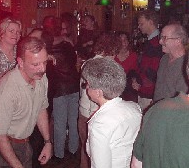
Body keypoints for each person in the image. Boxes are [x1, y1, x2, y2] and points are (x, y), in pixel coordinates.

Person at [0, 36, 53, 168]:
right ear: (20, 62)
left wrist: (47, 142)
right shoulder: (6, 89)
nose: (42, 69)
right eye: (35, 64)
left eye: (44, 62)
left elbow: (41, 108)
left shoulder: (41, 78)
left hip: (22, 144)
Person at [82, 57, 142, 168]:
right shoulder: (134, 108)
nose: (86, 87)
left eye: (88, 85)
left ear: (98, 92)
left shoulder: (99, 124)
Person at [78, 32, 121, 168]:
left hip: (84, 114)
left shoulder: (88, 63)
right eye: (114, 51)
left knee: (85, 153)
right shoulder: (101, 66)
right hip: (93, 115)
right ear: (110, 48)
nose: (115, 56)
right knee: (95, 156)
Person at [42, 16, 80, 161]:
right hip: (73, 86)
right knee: (72, 121)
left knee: (59, 123)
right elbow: (75, 63)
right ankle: (73, 150)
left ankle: (59, 154)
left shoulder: (47, 46)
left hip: (59, 89)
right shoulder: (68, 43)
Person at [132, 10, 163, 111]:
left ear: (151, 22)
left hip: (149, 93)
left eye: (141, 23)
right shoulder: (151, 41)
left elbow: (153, 72)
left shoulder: (156, 44)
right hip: (146, 90)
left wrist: (139, 84)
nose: (139, 27)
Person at [153, 23, 189, 103]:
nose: (160, 41)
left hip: (172, 113)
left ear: (178, 41)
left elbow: (182, 99)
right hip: (158, 109)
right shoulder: (164, 59)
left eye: (164, 38)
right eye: (161, 37)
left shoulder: (186, 65)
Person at [114, 31, 138, 102]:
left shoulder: (133, 55)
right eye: (120, 41)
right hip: (115, 88)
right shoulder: (112, 55)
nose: (123, 42)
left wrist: (134, 81)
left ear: (128, 42)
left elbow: (135, 72)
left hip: (128, 88)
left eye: (125, 40)